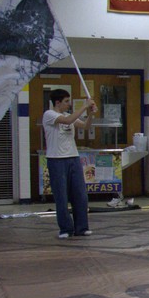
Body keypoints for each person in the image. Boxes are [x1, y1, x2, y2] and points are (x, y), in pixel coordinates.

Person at [43, 89, 96, 239]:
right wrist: (85, 106)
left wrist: (91, 114)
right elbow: (67, 121)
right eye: (66, 101)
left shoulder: (68, 115)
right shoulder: (49, 115)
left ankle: (82, 227)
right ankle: (65, 228)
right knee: (61, 195)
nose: (69, 104)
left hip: (73, 158)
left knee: (80, 194)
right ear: (57, 102)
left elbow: (85, 126)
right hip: (57, 160)